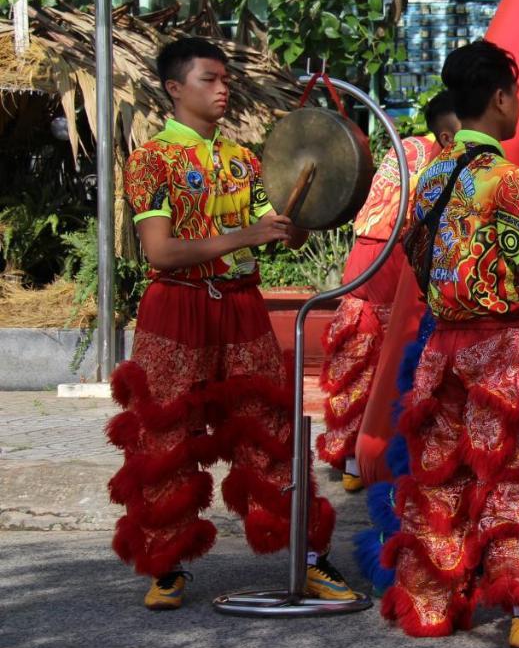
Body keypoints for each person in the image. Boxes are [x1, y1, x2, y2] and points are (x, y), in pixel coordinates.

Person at [107, 37, 354, 609]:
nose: (223, 89)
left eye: (225, 80)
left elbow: (277, 225)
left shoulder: (243, 160)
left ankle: (308, 558)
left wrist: (299, 221)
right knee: (166, 435)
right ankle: (165, 565)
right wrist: (244, 236)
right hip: (177, 306)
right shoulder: (152, 161)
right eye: (209, 80)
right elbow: (161, 253)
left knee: (271, 427)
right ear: (174, 88)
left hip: (240, 304)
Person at [379, 40, 519, 648]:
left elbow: (421, 260)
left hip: (443, 347)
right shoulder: (506, 179)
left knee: (441, 480)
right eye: (516, 96)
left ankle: (428, 607)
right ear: (501, 98)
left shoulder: (430, 178)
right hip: (504, 349)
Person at [316, 92, 459, 491]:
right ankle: (359, 456)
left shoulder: (412, 147)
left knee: (374, 363)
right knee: (373, 361)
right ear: (449, 134)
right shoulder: (433, 157)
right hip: (387, 259)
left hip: (382, 257)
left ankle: (359, 456)